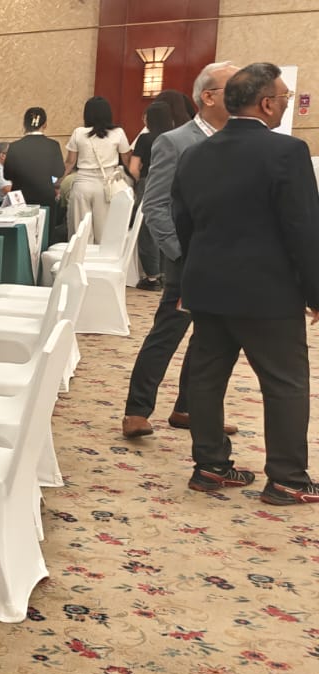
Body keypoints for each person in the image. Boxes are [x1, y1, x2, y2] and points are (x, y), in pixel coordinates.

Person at [174, 62, 319, 505]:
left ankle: (210, 466)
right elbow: (304, 229)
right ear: (267, 103)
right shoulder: (288, 152)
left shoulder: (194, 154)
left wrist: (192, 277)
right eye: (285, 97)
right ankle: (288, 479)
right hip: (267, 293)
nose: (287, 104)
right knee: (285, 382)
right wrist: (315, 292)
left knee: (206, 379)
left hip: (207, 287)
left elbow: (184, 223)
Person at [121, 62, 239, 441]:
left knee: (213, 339)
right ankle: (137, 410)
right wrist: (179, 253)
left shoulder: (240, 139)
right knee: (169, 331)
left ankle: (189, 408)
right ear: (209, 96)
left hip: (227, 258)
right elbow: (155, 206)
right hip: (187, 259)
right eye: (234, 88)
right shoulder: (175, 141)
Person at [128, 96, 190, 291]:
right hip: (174, 186)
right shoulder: (176, 138)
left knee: (147, 231)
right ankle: (165, 272)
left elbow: (134, 167)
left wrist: (140, 181)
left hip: (149, 183)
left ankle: (152, 276)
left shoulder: (145, 138)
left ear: (149, 118)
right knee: (169, 226)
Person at [62, 96, 132, 245]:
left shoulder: (78, 133)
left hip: (82, 185)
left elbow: (69, 162)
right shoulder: (118, 133)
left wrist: (58, 181)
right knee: (104, 233)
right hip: (107, 186)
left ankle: (80, 259)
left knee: (80, 234)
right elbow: (127, 160)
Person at [2, 107, 64, 209]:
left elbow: (7, 175)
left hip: (19, 198)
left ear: (24, 124)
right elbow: (59, 172)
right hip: (45, 196)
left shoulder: (14, 146)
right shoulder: (53, 145)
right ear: (45, 124)